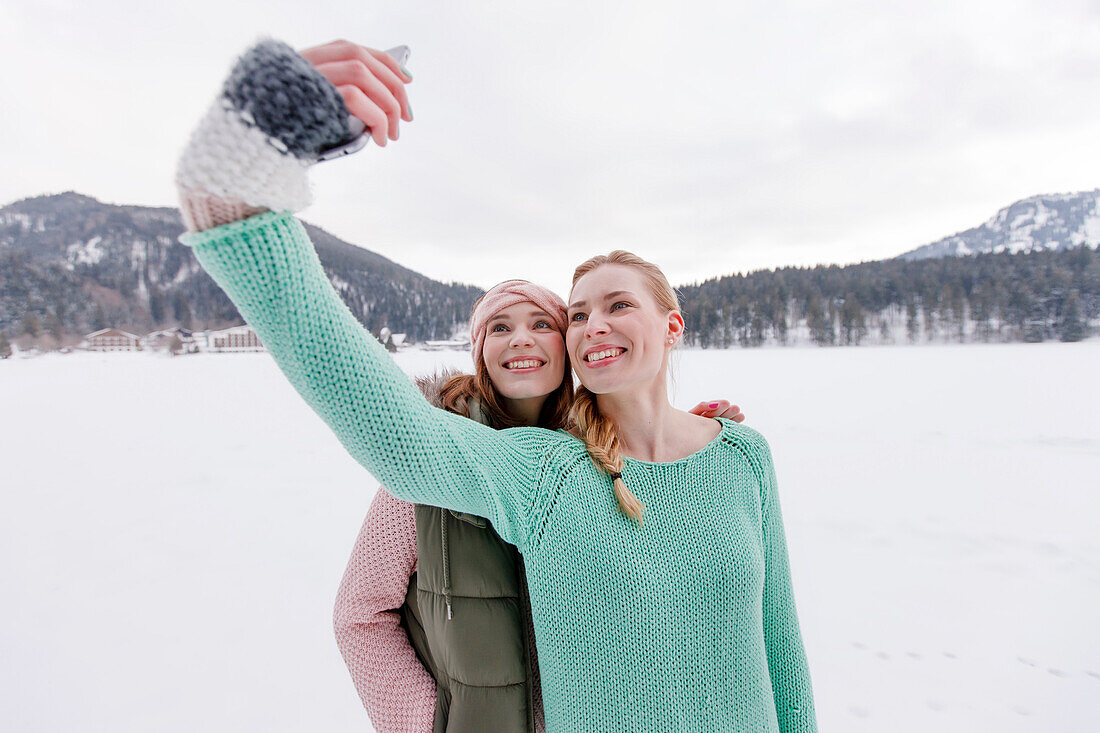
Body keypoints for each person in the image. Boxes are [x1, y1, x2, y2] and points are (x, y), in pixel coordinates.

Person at [175, 37, 818, 731]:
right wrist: (236, 193)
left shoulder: (743, 457)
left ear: (672, 326)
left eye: (618, 305)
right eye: (577, 314)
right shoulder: (547, 474)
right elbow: (393, 428)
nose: (593, 325)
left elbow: (780, 650)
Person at [332, 280, 744, 733]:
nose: (521, 339)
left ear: (567, 348)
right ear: (481, 351)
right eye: (500, 327)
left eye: (542, 324)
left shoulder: (598, 456)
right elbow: (361, 613)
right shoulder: (434, 465)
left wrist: (686, 438)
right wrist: (426, 724)